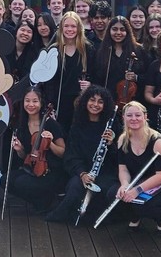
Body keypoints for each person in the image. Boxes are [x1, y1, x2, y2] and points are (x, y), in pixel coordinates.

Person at [45, 85, 119, 223]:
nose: (95, 105)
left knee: (103, 193)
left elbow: (120, 158)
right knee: (74, 188)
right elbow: (71, 155)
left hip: (105, 173)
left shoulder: (112, 125)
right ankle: (60, 214)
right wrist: (82, 173)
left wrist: (112, 145)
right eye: (92, 100)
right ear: (85, 102)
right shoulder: (77, 125)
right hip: (83, 171)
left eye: (100, 102)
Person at [103, 101, 161, 235]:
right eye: (129, 115)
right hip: (136, 181)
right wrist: (125, 185)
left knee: (140, 203)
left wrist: (136, 190)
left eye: (138, 115)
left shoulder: (157, 141)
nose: (134, 119)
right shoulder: (122, 140)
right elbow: (123, 168)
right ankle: (135, 215)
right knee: (113, 195)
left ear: (145, 116)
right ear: (123, 117)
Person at [8, 87, 67, 213]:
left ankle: (48, 200)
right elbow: (26, 156)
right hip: (32, 167)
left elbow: (62, 152)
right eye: (27, 100)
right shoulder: (21, 124)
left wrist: (50, 143)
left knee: (21, 182)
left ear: (41, 103)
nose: (30, 104)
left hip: (50, 170)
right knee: (6, 180)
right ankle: (41, 202)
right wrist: (19, 149)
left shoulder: (50, 124)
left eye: (35, 101)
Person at [45, 12, 94, 129]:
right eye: (66, 26)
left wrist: (90, 84)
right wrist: (50, 103)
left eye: (73, 26)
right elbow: (48, 81)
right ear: (61, 28)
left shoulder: (88, 48)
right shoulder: (54, 50)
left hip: (81, 101)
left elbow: (95, 74)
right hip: (59, 102)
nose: (69, 29)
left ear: (79, 28)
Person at [91, 16, 147, 106]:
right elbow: (96, 79)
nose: (118, 33)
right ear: (109, 31)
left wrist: (136, 77)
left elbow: (147, 77)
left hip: (133, 101)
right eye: (114, 29)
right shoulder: (101, 51)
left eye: (122, 29)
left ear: (127, 32)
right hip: (108, 101)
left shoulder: (138, 50)